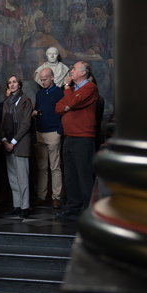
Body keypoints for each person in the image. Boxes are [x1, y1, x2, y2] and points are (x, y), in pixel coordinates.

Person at [55, 61, 99, 219]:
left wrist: (67, 93)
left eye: (73, 68)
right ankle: (73, 206)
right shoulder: (73, 90)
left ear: (83, 73)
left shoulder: (90, 88)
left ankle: (87, 209)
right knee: (70, 175)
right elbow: (58, 107)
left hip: (83, 138)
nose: (70, 71)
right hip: (69, 137)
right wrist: (68, 104)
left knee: (84, 174)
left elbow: (71, 103)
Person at [1, 75, 32, 218]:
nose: (12, 85)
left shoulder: (26, 100)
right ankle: (17, 205)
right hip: (7, 144)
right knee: (13, 178)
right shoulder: (7, 102)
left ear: (19, 85)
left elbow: (26, 124)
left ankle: (25, 207)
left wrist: (13, 142)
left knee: (22, 177)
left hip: (20, 143)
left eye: (14, 82)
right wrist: (5, 141)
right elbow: (2, 123)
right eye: (9, 83)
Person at [33, 68, 64, 209]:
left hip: (53, 133)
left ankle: (56, 197)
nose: (43, 81)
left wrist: (59, 131)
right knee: (42, 167)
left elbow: (63, 114)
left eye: (45, 79)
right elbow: (39, 109)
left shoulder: (59, 93)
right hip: (40, 132)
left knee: (55, 167)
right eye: (41, 79)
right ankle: (41, 195)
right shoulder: (39, 94)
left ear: (52, 77)